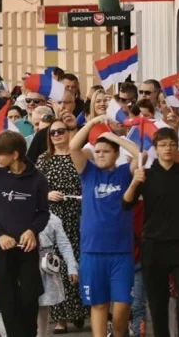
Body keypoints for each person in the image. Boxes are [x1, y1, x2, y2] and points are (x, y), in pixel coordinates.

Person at [122, 127, 179, 337]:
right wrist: (134, 181)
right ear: (156, 149)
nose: (168, 148)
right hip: (153, 247)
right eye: (162, 144)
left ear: (176, 146)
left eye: (171, 144)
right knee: (157, 305)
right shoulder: (147, 175)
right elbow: (125, 204)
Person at [70, 117, 139, 337]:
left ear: (116, 155)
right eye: (97, 151)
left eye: (106, 151)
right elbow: (73, 146)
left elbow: (140, 155)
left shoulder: (124, 173)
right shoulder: (88, 173)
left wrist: (113, 136)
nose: (100, 154)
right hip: (93, 250)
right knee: (98, 304)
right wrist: (92, 124)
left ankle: (119, 333)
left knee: (122, 303)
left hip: (121, 251)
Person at [0, 131, 51, 337]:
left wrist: (32, 230)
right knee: (8, 299)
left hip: (28, 249)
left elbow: (43, 213)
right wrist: (0, 235)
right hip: (2, 248)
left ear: (14, 154)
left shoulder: (38, 179)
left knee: (30, 297)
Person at [36, 114, 85, 332]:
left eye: (60, 131)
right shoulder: (43, 159)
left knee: (76, 260)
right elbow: (34, 189)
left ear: (69, 133)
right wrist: (46, 195)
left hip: (78, 214)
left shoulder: (79, 156)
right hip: (53, 217)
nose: (56, 135)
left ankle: (79, 312)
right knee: (55, 265)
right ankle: (61, 318)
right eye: (52, 132)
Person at [38, 211, 80, 337]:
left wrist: (72, 267)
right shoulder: (19, 213)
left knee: (43, 303)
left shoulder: (53, 218)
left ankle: (41, 335)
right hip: (23, 259)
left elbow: (64, 244)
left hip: (45, 262)